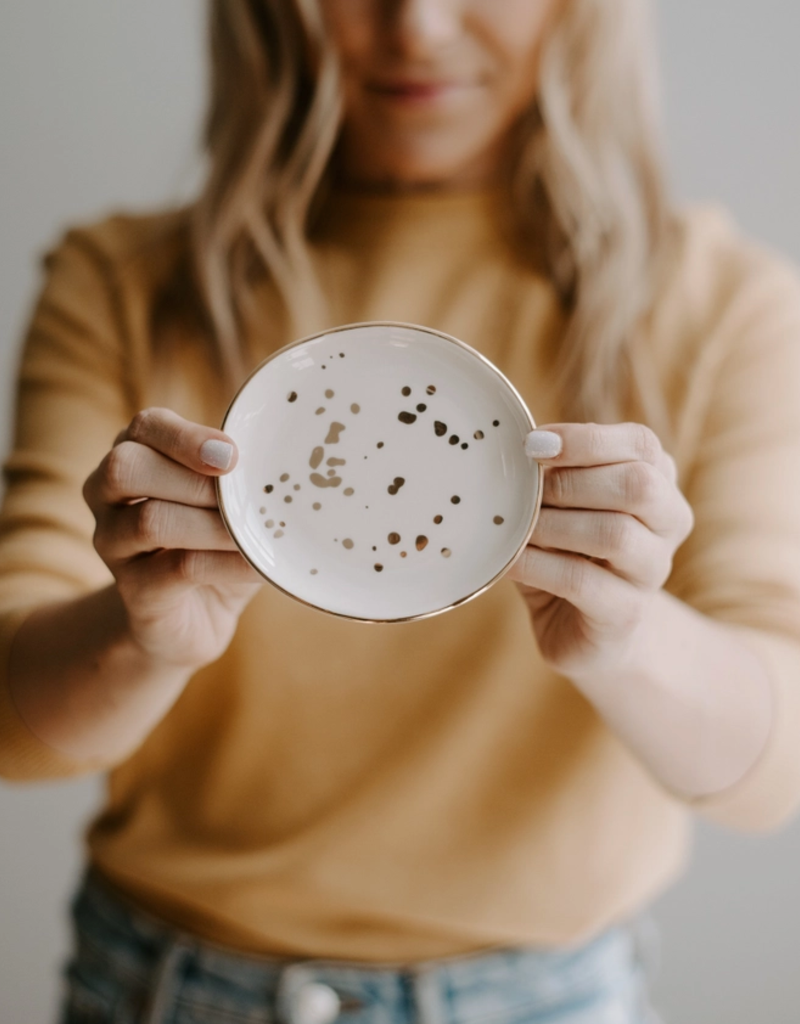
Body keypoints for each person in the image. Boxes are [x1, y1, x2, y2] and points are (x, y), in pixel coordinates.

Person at [2, 1, 800, 1021]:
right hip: (164, 986)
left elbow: (772, 766)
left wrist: (627, 639)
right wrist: (141, 636)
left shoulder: (721, 305)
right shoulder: (119, 284)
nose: (415, 28)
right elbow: (12, 726)